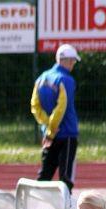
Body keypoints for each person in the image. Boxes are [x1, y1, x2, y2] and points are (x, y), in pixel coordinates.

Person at [31, 44, 81, 193]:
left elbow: (35, 106)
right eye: (72, 61)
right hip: (67, 133)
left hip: (48, 135)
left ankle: (36, 203)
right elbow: (61, 107)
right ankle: (65, 206)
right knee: (66, 178)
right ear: (67, 60)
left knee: (44, 175)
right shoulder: (66, 79)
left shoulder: (41, 78)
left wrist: (47, 126)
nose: (73, 64)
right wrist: (53, 127)